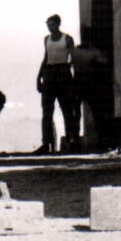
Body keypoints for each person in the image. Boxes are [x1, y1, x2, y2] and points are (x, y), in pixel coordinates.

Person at [35, 14, 81, 154]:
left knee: (67, 109)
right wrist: (39, 76)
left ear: (58, 24)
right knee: (47, 111)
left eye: (52, 24)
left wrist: (70, 73)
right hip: (49, 75)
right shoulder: (46, 39)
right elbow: (46, 58)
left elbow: (73, 58)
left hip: (63, 74)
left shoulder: (67, 39)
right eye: (48, 24)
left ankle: (71, 140)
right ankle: (46, 143)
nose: (49, 27)